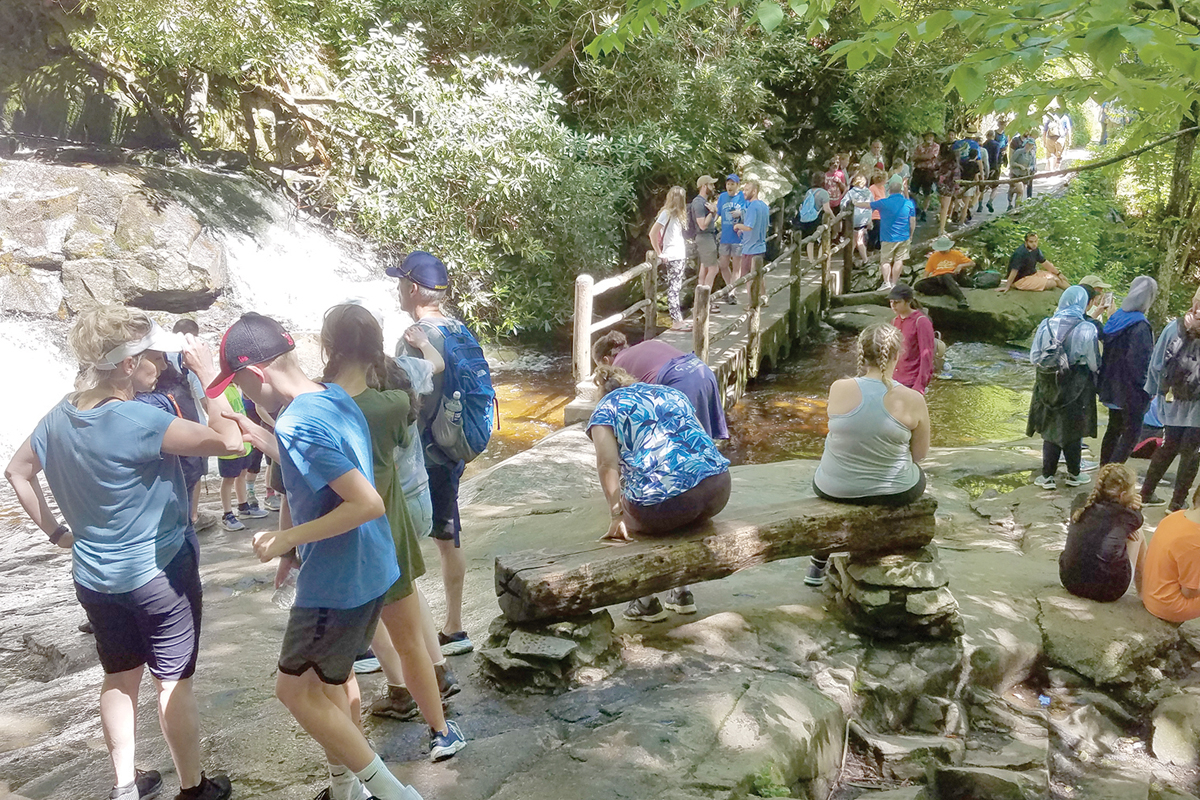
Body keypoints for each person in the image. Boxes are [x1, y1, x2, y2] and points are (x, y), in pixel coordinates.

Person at [5, 305, 242, 800]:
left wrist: (56, 534)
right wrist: (205, 378)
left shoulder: (57, 417)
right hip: (158, 573)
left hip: (94, 577)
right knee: (172, 680)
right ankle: (194, 788)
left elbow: (17, 472)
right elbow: (229, 442)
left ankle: (125, 787)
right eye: (152, 353)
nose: (160, 360)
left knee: (119, 674)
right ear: (128, 364)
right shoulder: (140, 418)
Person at [206, 313, 423, 800]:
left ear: (256, 374)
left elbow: (365, 502)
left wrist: (288, 540)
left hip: (336, 583)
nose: (239, 393)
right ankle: (343, 789)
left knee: (295, 691)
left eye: (237, 383)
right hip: (372, 568)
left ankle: (392, 794)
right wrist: (265, 437)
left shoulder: (299, 422)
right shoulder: (330, 397)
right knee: (332, 681)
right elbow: (321, 466)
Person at [319, 304, 467, 762]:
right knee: (409, 639)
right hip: (391, 531)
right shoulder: (393, 403)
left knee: (338, 657)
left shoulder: (315, 405)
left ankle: (351, 762)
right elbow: (406, 436)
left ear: (328, 346)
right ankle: (441, 732)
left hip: (339, 539)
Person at [586, 364, 732, 621]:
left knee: (636, 517)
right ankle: (682, 592)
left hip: (666, 507)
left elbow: (607, 464)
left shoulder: (605, 410)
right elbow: (700, 438)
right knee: (683, 509)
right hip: (718, 488)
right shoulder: (670, 393)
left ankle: (645, 601)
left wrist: (615, 516)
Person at [390, 251, 478, 656]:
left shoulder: (413, 339)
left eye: (398, 282)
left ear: (411, 289)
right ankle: (455, 627)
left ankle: (399, 641)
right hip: (453, 444)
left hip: (424, 453)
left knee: (395, 541)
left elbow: (406, 401)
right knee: (448, 536)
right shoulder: (461, 331)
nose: (396, 289)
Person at [807, 324, 929, 585]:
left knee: (840, 475)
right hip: (892, 491)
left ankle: (818, 565)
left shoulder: (839, 387)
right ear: (897, 356)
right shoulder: (913, 398)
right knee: (918, 476)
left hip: (833, 487)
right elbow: (919, 455)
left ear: (861, 354)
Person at [591, 330, 728, 440]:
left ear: (605, 360)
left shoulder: (618, 366)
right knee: (703, 438)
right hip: (701, 370)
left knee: (682, 442)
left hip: (678, 380)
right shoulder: (646, 344)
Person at [1028, 286, 1100, 490]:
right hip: (1076, 386)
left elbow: (1034, 357)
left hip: (1048, 383)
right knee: (1073, 428)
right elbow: (1094, 364)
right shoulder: (1087, 328)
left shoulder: (1046, 324)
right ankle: (1074, 475)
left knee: (1050, 427)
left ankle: (1047, 477)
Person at [1139, 299, 1200, 510]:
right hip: (1197, 405)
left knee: (1168, 446)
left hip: (1172, 398)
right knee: (1192, 452)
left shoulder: (1174, 327)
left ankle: (1145, 494)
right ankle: (1176, 503)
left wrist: (1156, 392)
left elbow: (1157, 364)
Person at [1059, 464, 1146, 603]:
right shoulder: (1129, 516)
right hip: (1109, 591)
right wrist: (1135, 506)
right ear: (1123, 495)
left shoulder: (1080, 502)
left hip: (1070, 581)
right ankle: (1144, 593)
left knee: (1110, 533)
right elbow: (1137, 520)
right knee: (1138, 533)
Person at [1099, 277, 1158, 465]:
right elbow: (1139, 363)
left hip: (1110, 385)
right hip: (1131, 391)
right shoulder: (1140, 326)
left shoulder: (1116, 318)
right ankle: (1112, 476)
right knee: (1131, 434)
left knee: (1113, 429)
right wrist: (1147, 390)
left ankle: (1103, 470)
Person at [1142, 491, 1200, 623]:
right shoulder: (1195, 542)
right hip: (1167, 606)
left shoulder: (1176, 516)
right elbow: (1189, 592)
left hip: (1151, 593)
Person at [861, 174, 916, 290]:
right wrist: (911, 235)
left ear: (889, 190)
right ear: (901, 190)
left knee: (885, 260)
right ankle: (894, 283)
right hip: (903, 236)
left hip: (887, 237)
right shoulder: (909, 204)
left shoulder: (883, 202)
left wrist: (855, 202)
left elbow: (867, 205)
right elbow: (912, 222)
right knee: (899, 260)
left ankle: (886, 283)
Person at [650, 185, 690, 330]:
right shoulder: (666, 214)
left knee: (677, 287)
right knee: (673, 289)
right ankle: (676, 322)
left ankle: (678, 319)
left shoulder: (678, 215)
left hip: (679, 254)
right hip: (672, 255)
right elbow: (653, 233)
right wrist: (659, 252)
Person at [888, 284, 935, 395]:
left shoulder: (921, 321)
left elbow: (927, 355)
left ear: (908, 301)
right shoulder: (894, 321)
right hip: (894, 380)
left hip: (911, 382)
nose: (893, 305)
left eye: (897, 302)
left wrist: (919, 386)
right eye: (891, 302)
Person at [733, 179, 770, 302]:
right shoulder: (764, 206)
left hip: (750, 248)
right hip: (761, 246)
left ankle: (751, 301)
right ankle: (764, 297)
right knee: (759, 274)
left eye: (747, 190)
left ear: (754, 191)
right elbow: (764, 226)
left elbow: (749, 227)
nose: (744, 192)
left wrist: (738, 226)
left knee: (749, 277)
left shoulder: (752, 207)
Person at [914, 235, 973, 308]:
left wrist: (960, 266)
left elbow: (972, 263)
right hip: (938, 277)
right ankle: (947, 291)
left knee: (946, 276)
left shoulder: (956, 254)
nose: (942, 251)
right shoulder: (934, 256)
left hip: (951, 275)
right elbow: (927, 271)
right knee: (918, 285)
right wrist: (925, 280)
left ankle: (961, 299)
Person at [691, 176, 722, 313]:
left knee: (704, 269)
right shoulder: (698, 203)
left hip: (708, 237)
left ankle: (701, 302)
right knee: (714, 269)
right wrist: (712, 212)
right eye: (711, 184)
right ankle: (705, 303)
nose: (713, 187)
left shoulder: (703, 202)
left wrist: (713, 213)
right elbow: (702, 225)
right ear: (704, 186)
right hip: (705, 238)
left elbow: (710, 221)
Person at [1000, 232, 1069, 292]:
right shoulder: (1020, 253)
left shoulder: (1035, 250)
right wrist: (1007, 286)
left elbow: (1045, 263)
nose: (1034, 244)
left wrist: (1059, 273)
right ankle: (1014, 285)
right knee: (1053, 283)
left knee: (1057, 278)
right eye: (1031, 242)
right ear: (1026, 242)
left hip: (1032, 274)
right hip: (1020, 280)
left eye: (1035, 241)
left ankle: (1076, 290)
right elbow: (1014, 271)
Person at [716, 174, 746, 305]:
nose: (729, 186)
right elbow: (716, 213)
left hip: (738, 238)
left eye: (732, 184)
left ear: (737, 185)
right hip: (725, 236)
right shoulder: (722, 197)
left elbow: (750, 214)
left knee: (736, 267)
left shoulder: (742, 197)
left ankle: (732, 293)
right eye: (728, 184)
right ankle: (730, 288)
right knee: (723, 264)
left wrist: (741, 214)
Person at [795, 170, 833, 262]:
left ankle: (811, 260)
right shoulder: (824, 193)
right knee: (824, 236)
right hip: (817, 219)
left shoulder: (809, 192)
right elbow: (826, 209)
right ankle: (820, 259)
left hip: (806, 219)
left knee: (810, 240)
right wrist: (834, 217)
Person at [911, 132, 941, 223]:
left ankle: (924, 211)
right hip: (918, 170)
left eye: (931, 136)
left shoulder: (936, 146)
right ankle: (916, 208)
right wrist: (922, 157)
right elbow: (913, 157)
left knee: (927, 193)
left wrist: (919, 157)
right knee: (913, 191)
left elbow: (931, 156)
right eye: (928, 136)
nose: (929, 138)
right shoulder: (919, 146)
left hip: (928, 171)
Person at [934, 145, 960, 237]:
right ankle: (941, 229)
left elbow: (934, 171)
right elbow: (956, 179)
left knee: (942, 207)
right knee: (945, 208)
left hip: (940, 186)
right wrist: (957, 192)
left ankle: (941, 224)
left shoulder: (941, 163)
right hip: (949, 188)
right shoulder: (954, 165)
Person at [847, 174, 873, 264]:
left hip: (854, 219)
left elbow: (843, 204)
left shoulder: (851, 193)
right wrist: (870, 219)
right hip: (864, 219)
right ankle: (863, 259)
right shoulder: (869, 193)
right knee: (857, 239)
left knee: (857, 240)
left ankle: (854, 258)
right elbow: (872, 205)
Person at [1008, 138, 1037, 208]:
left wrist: (1029, 168)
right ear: (1025, 144)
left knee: (1020, 192)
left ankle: (1016, 208)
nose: (1029, 146)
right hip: (1015, 174)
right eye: (1028, 144)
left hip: (1024, 175)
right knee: (1020, 189)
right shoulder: (1019, 152)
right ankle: (1010, 202)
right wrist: (1019, 166)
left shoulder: (1032, 155)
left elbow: (1033, 165)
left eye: (1031, 145)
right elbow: (1012, 162)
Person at [982, 130, 1003, 213]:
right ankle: (990, 201)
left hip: (984, 167)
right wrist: (994, 168)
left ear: (987, 136)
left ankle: (980, 205)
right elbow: (996, 157)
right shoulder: (997, 145)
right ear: (994, 136)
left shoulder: (984, 144)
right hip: (994, 167)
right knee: (994, 188)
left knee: (982, 187)